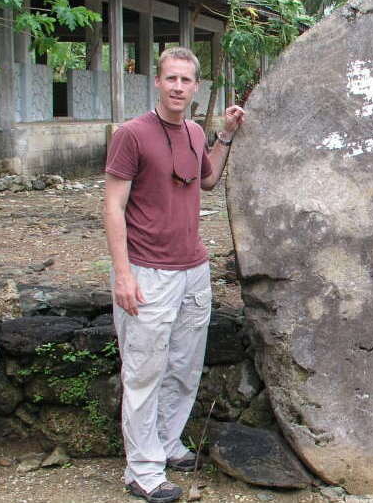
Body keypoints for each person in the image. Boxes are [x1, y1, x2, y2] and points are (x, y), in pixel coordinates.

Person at [103, 46, 245, 503]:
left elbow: (207, 179)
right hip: (148, 271)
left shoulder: (194, 132)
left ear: (196, 87)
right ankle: (142, 470)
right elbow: (113, 207)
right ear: (157, 82)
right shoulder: (131, 135)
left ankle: (167, 443)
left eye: (186, 80)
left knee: (183, 367)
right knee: (144, 372)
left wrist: (225, 136)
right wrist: (123, 275)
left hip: (193, 270)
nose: (178, 87)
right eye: (171, 79)